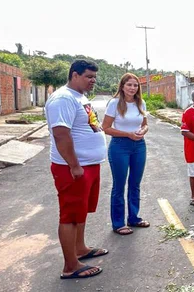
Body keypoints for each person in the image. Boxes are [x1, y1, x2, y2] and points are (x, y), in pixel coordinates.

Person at [45, 60, 107, 279]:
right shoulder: (63, 98)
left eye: (94, 77)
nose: (93, 81)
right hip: (72, 168)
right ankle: (70, 265)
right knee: (70, 215)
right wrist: (74, 165)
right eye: (88, 76)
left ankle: (80, 249)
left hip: (88, 166)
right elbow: (61, 135)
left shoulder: (79, 97)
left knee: (81, 212)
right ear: (74, 75)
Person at [102, 73, 149, 235]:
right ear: (122, 86)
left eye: (135, 85)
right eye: (129, 85)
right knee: (119, 185)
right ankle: (118, 223)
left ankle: (134, 218)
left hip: (139, 146)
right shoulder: (114, 103)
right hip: (120, 146)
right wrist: (128, 134)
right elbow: (106, 128)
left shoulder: (140, 103)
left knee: (135, 183)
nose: (132, 88)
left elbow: (145, 124)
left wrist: (142, 131)